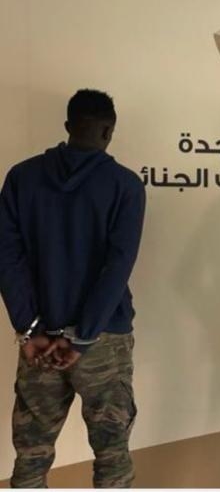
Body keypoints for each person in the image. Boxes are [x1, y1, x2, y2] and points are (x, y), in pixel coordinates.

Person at [0, 89, 145, 488]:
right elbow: (117, 267)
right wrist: (82, 336)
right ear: (109, 131)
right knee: (112, 454)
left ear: (67, 126)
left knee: (31, 456)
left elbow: (7, 258)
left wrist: (29, 328)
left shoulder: (21, 178)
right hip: (104, 340)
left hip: (39, 341)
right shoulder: (125, 185)